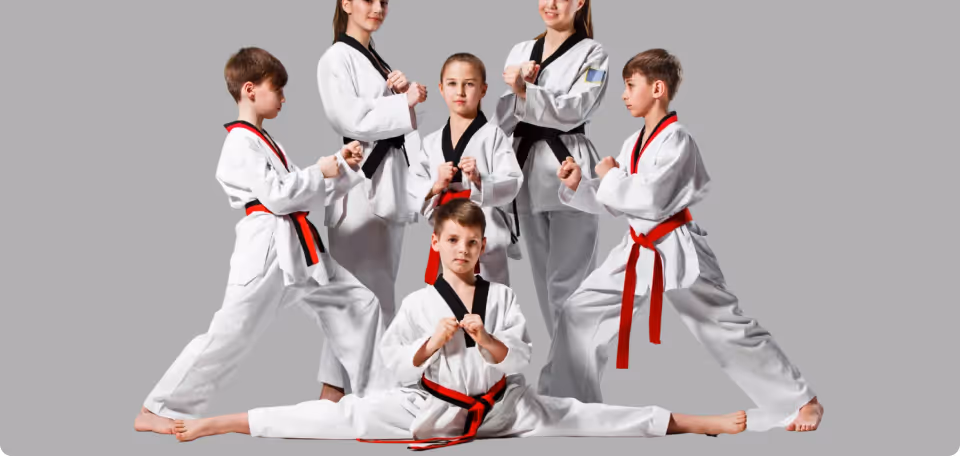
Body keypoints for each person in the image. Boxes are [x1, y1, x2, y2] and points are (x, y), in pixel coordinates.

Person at [171, 199, 747, 445]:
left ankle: (702, 422)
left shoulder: (501, 297)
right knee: (340, 416)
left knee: (588, 418)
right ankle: (222, 423)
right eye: (454, 241)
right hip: (427, 408)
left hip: (501, 408)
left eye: (473, 243)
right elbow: (394, 365)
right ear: (438, 243)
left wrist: (484, 339)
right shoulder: (422, 301)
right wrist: (430, 345)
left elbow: (520, 356)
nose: (464, 251)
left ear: (481, 247)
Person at [537, 49, 823, 432]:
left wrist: (608, 177)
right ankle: (570, 406)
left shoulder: (677, 140)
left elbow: (652, 199)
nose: (624, 94)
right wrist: (582, 186)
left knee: (723, 326)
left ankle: (802, 401)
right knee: (579, 312)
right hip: (637, 249)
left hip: (675, 247)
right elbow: (618, 202)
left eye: (630, 85)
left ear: (657, 88)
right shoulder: (634, 141)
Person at [135, 47, 383, 434]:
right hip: (267, 246)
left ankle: (372, 400)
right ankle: (156, 409)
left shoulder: (267, 142)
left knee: (359, 305)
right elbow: (280, 195)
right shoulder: (238, 143)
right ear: (249, 90)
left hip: (299, 246)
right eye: (277, 89)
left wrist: (341, 166)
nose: (283, 98)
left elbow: (299, 192)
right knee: (231, 334)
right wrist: (321, 169)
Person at [315, 0, 428, 401]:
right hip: (359, 189)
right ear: (346, 4)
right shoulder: (336, 59)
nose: (377, 9)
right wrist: (403, 100)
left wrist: (401, 95)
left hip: (387, 188)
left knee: (373, 295)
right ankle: (368, 395)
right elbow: (350, 119)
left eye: (384, 2)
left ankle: (334, 393)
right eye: (368, 0)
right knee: (362, 299)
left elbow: (398, 127)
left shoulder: (376, 59)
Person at [492, 0, 608, 332]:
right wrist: (518, 90)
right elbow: (503, 117)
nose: (551, 5)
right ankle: (562, 376)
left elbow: (577, 107)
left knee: (569, 286)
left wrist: (528, 92)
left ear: (580, 3)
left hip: (568, 166)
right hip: (526, 171)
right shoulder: (522, 50)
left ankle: (577, 378)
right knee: (544, 286)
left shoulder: (593, 54)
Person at [408, 52, 523, 286]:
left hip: (485, 232)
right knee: (446, 308)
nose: (460, 92)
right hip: (447, 233)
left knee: (491, 302)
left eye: (469, 84)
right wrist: (436, 185)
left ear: (483, 90)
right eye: (452, 84)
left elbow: (512, 181)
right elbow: (413, 185)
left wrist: (480, 180)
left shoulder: (493, 135)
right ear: (441, 89)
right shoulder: (431, 141)